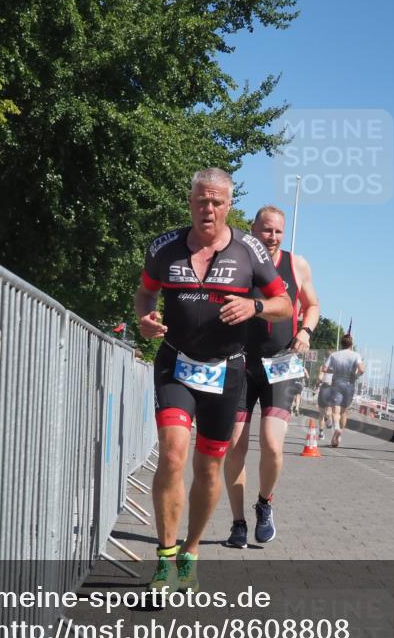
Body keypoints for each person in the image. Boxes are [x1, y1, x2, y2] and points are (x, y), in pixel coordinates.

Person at [135, 170, 292, 590]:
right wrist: (144, 319)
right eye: (201, 201)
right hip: (176, 363)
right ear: (190, 202)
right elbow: (145, 292)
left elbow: (284, 303)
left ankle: (191, 548)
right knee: (171, 455)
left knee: (208, 468)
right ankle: (165, 556)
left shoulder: (250, 250)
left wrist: (254, 307)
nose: (208, 209)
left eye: (217, 202)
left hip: (227, 370)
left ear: (229, 205)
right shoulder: (164, 247)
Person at [223, 206, 320, 548]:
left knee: (272, 445)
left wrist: (306, 331)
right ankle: (237, 523)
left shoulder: (297, 264)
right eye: (266, 230)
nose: (273, 237)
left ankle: (265, 504)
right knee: (235, 447)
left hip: (282, 361)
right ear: (253, 229)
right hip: (239, 362)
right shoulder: (236, 261)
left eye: (278, 231)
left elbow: (313, 305)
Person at [323, 335, 364, 448]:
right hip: (349, 385)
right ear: (351, 344)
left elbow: (324, 369)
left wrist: (334, 369)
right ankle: (339, 435)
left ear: (341, 344)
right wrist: (355, 376)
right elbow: (362, 369)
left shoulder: (334, 355)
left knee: (336, 411)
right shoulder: (356, 355)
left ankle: (336, 428)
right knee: (344, 412)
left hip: (337, 383)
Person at [315, 362, 334, 439]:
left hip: (324, 389)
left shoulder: (323, 366)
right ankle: (328, 418)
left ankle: (321, 433)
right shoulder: (337, 367)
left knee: (322, 413)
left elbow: (319, 378)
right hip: (331, 389)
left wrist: (318, 382)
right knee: (326, 411)